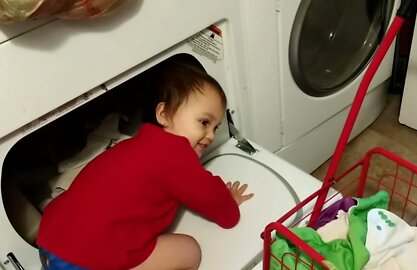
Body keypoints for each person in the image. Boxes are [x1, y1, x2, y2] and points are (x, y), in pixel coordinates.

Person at [36, 61, 254, 270]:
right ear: (164, 114)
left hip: (50, 237)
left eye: (216, 127)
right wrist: (231, 203)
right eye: (204, 122)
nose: (210, 135)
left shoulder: (138, 142)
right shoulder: (175, 155)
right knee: (190, 251)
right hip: (84, 261)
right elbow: (215, 202)